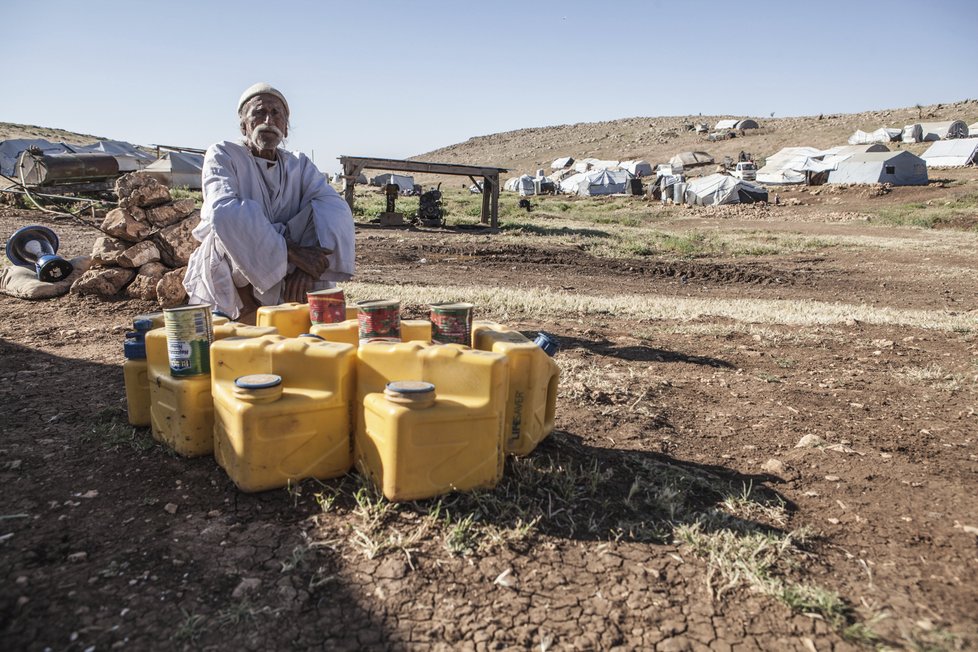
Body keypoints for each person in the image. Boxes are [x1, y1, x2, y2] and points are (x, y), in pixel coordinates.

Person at [183, 82, 355, 323]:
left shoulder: (299, 164)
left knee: (326, 214)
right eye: (259, 113)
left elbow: (334, 209)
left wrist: (307, 267)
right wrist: (291, 253)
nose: (268, 120)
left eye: (276, 114)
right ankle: (250, 316)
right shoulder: (223, 154)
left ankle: (310, 322)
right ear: (243, 125)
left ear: (285, 127)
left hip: (296, 269)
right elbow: (223, 211)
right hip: (240, 267)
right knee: (224, 230)